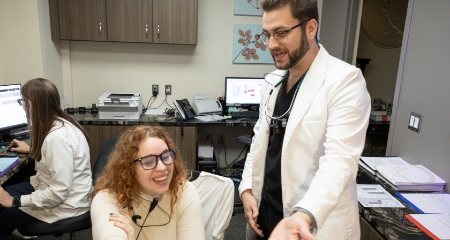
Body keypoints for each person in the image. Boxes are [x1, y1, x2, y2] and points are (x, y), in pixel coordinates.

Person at [238, 0, 371, 239]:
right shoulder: (272, 82)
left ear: (311, 28)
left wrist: (304, 215)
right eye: (266, 34)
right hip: (265, 220)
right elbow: (259, 141)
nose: (271, 44)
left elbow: (339, 161)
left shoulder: (345, 81)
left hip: (307, 224)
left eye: (281, 33)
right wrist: (247, 188)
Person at [0, 78, 92, 239]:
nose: (21, 106)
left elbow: (58, 193)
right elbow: (59, 158)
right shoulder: (61, 123)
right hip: (58, 190)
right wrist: (32, 150)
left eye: (21, 101)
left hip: (65, 203)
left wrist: (13, 201)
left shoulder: (57, 138)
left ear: (30, 104)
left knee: (3, 217)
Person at [91, 125, 205, 240]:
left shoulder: (183, 191)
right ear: (129, 168)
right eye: (149, 162)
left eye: (166, 156)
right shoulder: (108, 199)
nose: (162, 167)